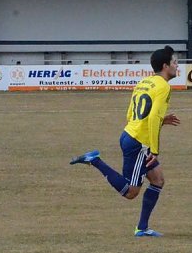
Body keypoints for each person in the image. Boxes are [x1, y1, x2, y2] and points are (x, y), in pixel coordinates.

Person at [70, 45, 181, 236]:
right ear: (165, 66)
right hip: (139, 144)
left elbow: (131, 114)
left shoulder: (144, 82)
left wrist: (160, 122)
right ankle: (95, 160)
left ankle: (142, 228)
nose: (177, 66)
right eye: (174, 62)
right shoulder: (163, 87)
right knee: (131, 192)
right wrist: (154, 150)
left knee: (158, 180)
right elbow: (153, 117)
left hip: (131, 135)